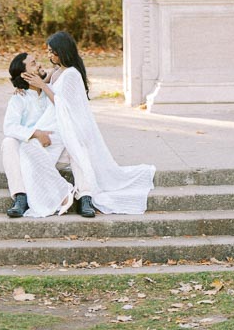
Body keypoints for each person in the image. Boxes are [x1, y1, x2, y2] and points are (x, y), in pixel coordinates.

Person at [23, 30, 155, 219]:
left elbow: (64, 105)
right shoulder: (55, 72)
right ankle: (70, 193)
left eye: (53, 51)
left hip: (68, 124)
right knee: (39, 149)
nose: (50, 55)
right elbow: (36, 90)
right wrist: (24, 87)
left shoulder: (72, 75)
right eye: (49, 51)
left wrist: (43, 86)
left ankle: (84, 196)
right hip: (54, 123)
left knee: (76, 149)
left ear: (62, 51)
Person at [1, 51, 75, 219]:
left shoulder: (52, 91)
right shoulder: (19, 98)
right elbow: (9, 126)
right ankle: (21, 197)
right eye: (33, 63)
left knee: (79, 144)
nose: (40, 64)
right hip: (29, 154)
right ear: (25, 74)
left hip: (56, 152)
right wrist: (36, 134)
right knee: (9, 142)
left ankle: (85, 195)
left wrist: (43, 85)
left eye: (37, 61)